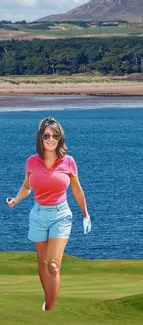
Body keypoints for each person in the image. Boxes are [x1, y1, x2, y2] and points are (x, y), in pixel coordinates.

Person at [6, 116, 91, 311]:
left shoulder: (68, 162)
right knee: (43, 263)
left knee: (53, 264)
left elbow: (77, 190)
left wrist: (85, 214)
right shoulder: (31, 162)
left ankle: (49, 310)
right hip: (38, 215)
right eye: (46, 135)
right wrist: (16, 199)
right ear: (40, 138)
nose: (51, 139)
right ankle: (48, 298)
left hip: (61, 215)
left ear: (60, 138)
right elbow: (27, 187)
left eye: (55, 135)